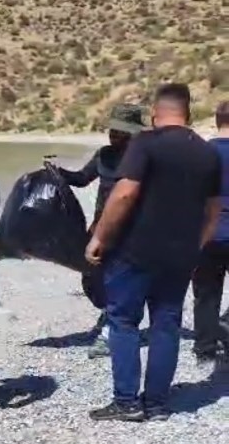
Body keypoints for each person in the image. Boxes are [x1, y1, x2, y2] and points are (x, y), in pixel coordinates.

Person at [84, 83, 222, 422]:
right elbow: (213, 210)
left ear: (155, 113)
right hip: (180, 255)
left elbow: (124, 194)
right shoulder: (206, 152)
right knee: (166, 324)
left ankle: (127, 401)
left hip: (136, 251)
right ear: (188, 112)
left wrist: (99, 236)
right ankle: (158, 404)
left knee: (124, 321)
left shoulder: (146, 143)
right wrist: (196, 246)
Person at [50, 104, 148, 358]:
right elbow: (82, 178)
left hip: (130, 232)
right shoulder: (103, 155)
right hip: (98, 230)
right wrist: (58, 173)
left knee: (118, 280)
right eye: (113, 130)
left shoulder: (143, 159)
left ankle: (112, 332)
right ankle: (109, 313)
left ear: (133, 134)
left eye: (120, 132)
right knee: (90, 278)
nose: (114, 135)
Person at [191, 101, 229, 363]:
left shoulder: (201, 153)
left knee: (206, 292)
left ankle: (204, 348)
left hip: (207, 233)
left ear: (217, 120)